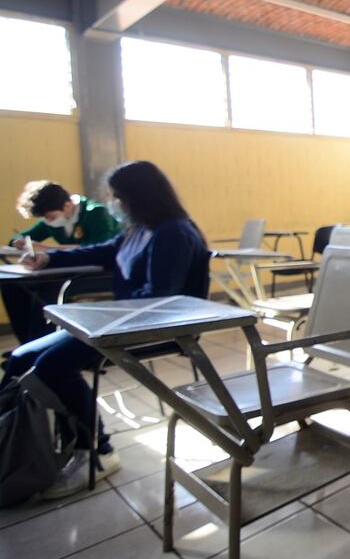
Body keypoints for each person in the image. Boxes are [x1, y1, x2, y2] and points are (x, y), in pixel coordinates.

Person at [1, 161, 210, 499]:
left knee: (53, 365)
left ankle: (97, 450)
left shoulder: (174, 231)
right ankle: (24, 444)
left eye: (117, 197)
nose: (114, 203)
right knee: (20, 358)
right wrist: (48, 259)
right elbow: (103, 251)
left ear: (137, 196)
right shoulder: (140, 228)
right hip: (120, 320)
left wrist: (99, 315)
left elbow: (161, 300)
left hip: (150, 326)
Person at [2, 182, 121, 344]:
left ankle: (41, 344)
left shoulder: (96, 213)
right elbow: (20, 237)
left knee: (46, 290)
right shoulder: (52, 221)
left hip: (98, 274)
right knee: (12, 286)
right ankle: (26, 345)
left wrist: (47, 248)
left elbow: (99, 249)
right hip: (66, 269)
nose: (48, 221)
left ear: (67, 205)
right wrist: (19, 242)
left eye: (49, 217)